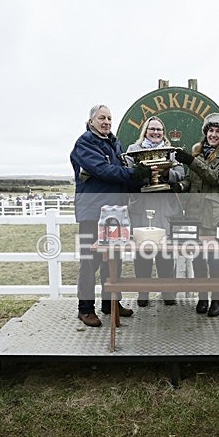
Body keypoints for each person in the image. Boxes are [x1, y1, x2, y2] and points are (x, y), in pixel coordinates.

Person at [71, 104, 152, 327]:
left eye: (109, 118)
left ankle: (110, 304)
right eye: (101, 118)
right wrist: (134, 174)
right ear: (91, 121)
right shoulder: (85, 143)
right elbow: (104, 171)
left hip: (114, 213)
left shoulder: (114, 143)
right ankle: (85, 308)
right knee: (90, 262)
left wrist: (137, 179)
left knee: (113, 260)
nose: (106, 122)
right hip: (92, 213)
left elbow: (118, 174)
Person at [174, 113, 219, 317]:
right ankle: (202, 297)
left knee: (213, 258)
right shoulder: (198, 153)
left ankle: (216, 301)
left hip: (214, 215)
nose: (213, 134)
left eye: (218, 131)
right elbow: (190, 180)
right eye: (210, 130)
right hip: (193, 213)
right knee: (198, 257)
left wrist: (191, 161)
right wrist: (179, 185)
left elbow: (215, 177)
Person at [124, 116, 186, 307]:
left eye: (159, 129)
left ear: (163, 132)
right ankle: (143, 293)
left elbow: (181, 173)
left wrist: (166, 174)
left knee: (165, 252)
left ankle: (168, 292)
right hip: (141, 207)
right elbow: (127, 173)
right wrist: (143, 176)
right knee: (142, 252)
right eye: (152, 129)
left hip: (165, 207)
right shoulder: (133, 151)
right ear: (145, 130)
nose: (156, 132)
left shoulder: (171, 153)